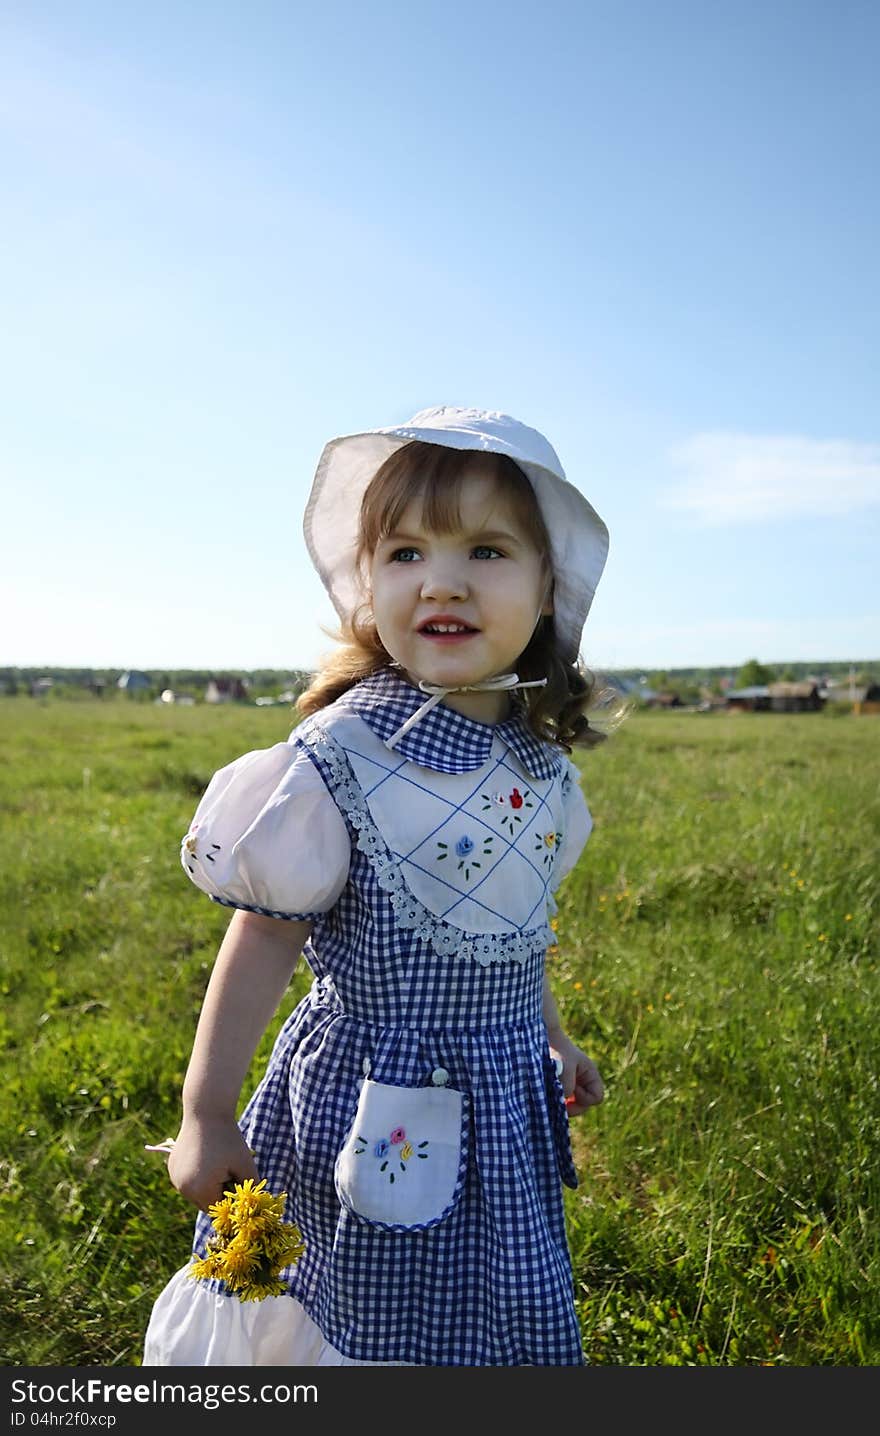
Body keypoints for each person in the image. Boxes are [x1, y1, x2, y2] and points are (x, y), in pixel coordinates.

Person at [143, 405, 619, 1367]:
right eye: (404, 553)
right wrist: (205, 1112)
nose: (440, 580)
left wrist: (554, 1039)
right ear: (369, 586)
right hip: (363, 1099)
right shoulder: (338, 760)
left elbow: (513, 934)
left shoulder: (537, 766)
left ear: (548, 590)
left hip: (501, 1099)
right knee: (360, 1300)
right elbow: (263, 940)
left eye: (486, 550)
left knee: (491, 1301)